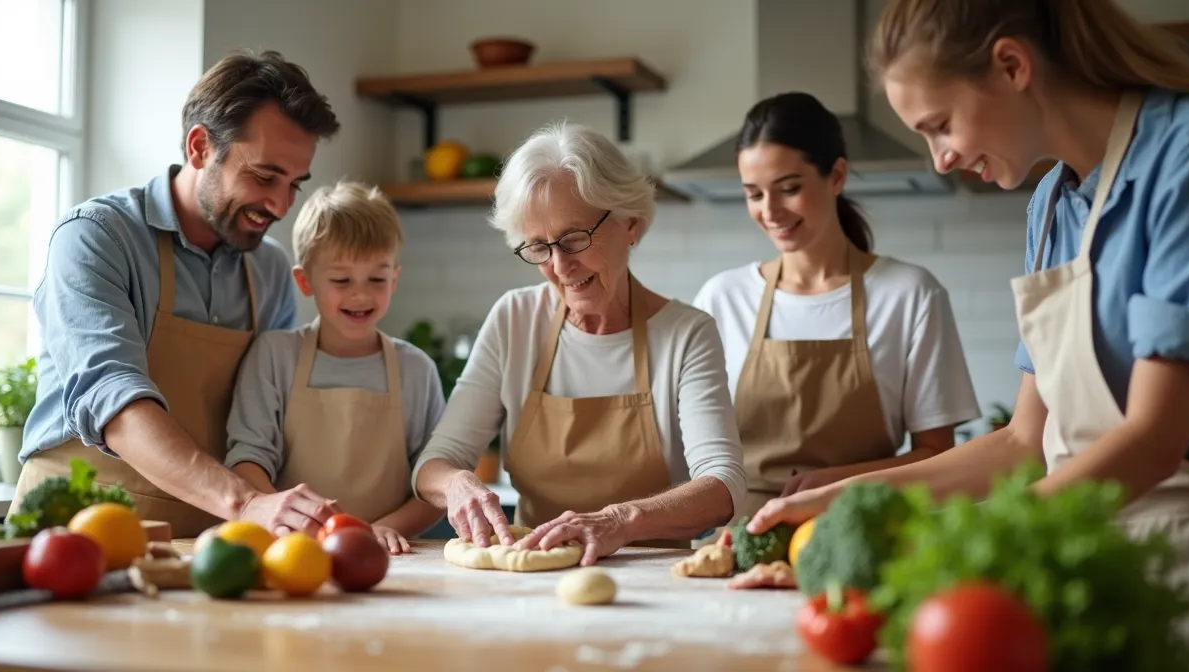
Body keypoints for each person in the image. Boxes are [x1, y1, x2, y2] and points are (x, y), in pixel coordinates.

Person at [748, 1, 1189, 668]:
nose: (941, 159)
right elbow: (1022, 443)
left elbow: (1153, 441)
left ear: (1012, 65)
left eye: (940, 125)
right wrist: (847, 500)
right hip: (1070, 565)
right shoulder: (1049, 205)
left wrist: (949, 544)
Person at [12, 50, 344, 539]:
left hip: (206, 547)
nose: (280, 205)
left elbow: (266, 421)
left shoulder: (270, 269)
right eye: (264, 176)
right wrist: (248, 502)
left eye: (295, 184)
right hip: (71, 534)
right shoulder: (96, 237)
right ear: (200, 147)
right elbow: (114, 403)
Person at [411, 121, 746, 565]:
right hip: (528, 576)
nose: (560, 265)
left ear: (630, 223)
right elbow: (435, 462)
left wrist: (620, 521)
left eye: (574, 239)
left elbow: (723, 486)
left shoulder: (686, 334)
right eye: (538, 247)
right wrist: (456, 484)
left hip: (650, 581)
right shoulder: (515, 319)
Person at [692, 91, 980, 525]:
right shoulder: (722, 298)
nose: (770, 211)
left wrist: (839, 483)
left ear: (837, 176)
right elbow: (695, 453)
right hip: (740, 540)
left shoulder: (910, 295)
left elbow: (936, 455)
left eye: (789, 189)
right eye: (754, 194)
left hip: (863, 532)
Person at [223, 182, 446, 553]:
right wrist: (286, 517)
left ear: (394, 279)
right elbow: (248, 458)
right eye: (342, 280)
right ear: (304, 281)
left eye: (377, 278)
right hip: (294, 549)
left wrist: (383, 530)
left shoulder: (416, 369)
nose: (361, 294)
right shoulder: (275, 355)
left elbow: (434, 484)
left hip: (387, 555)